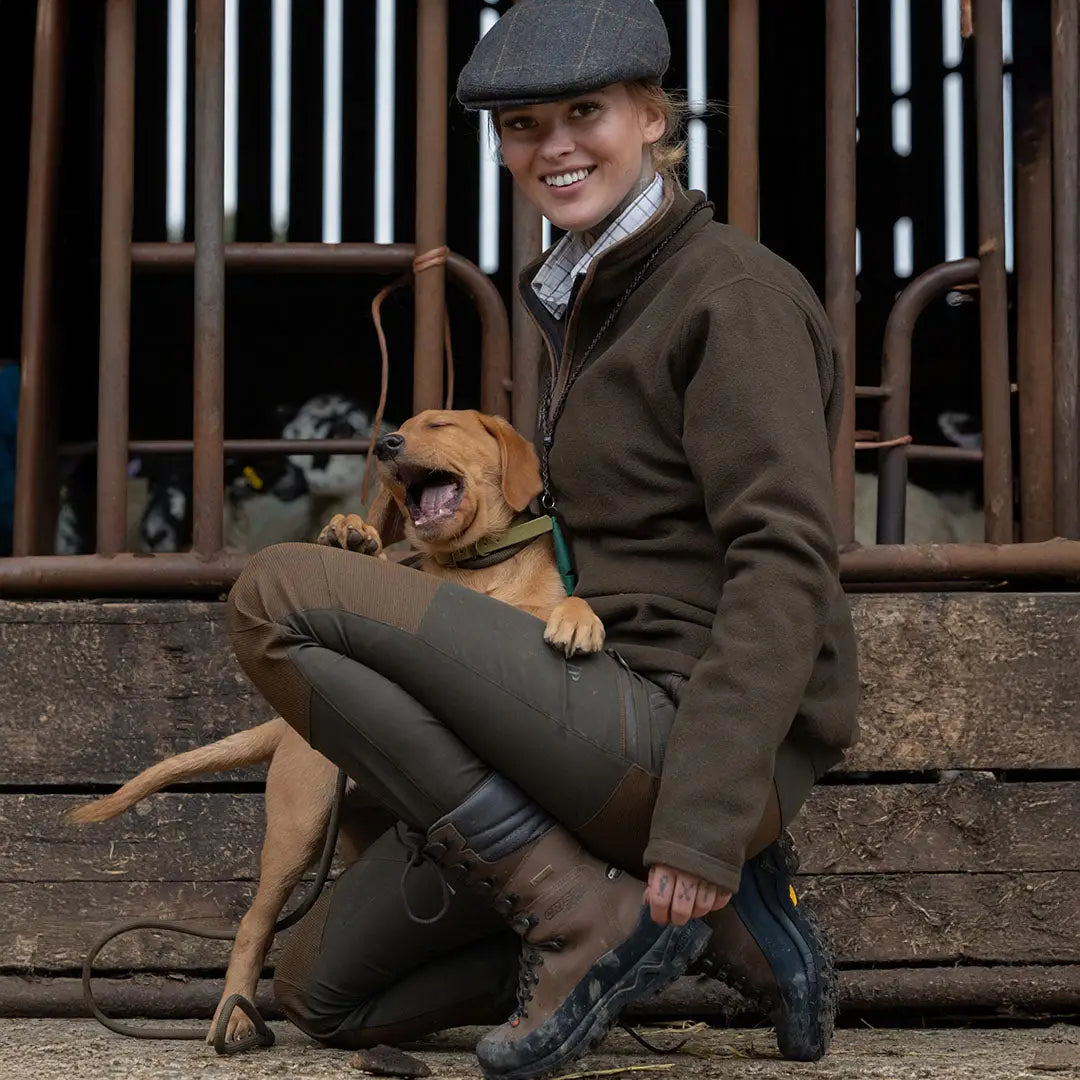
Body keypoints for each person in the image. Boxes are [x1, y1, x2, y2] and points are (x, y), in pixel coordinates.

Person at [226, 1, 859, 1076]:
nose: (553, 145)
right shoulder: (586, 298)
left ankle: (591, 909)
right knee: (323, 994)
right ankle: (673, 923)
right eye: (522, 124)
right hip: (576, 717)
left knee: (279, 594)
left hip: (670, 727)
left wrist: (704, 823)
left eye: (585, 112)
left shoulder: (730, 295)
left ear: (652, 117)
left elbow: (784, 561)